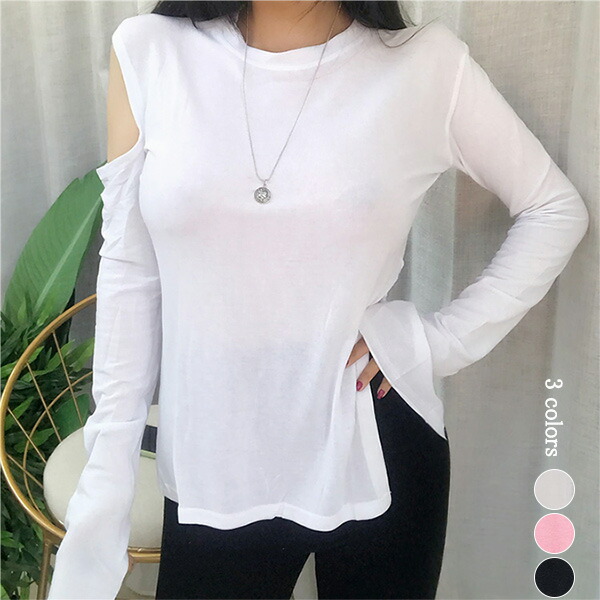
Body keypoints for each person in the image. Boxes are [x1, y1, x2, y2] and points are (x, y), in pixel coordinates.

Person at [47, 1, 589, 599]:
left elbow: (554, 209)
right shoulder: (151, 51)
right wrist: (108, 471)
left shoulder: (424, 65)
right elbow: (131, 275)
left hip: (374, 437)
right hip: (215, 459)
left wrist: (438, 342)